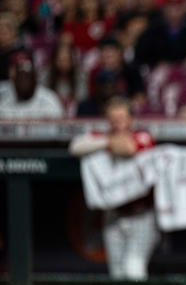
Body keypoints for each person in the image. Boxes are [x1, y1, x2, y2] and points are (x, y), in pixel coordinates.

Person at [69, 97, 159, 280]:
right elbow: (75, 147)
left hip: (141, 217)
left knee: (134, 270)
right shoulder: (103, 136)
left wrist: (105, 143)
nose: (118, 124)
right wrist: (108, 142)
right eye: (113, 119)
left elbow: (128, 148)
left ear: (131, 120)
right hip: (113, 216)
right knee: (117, 274)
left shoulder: (143, 136)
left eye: (122, 119)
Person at [0, 51, 63, 119]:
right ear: (14, 80)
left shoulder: (49, 100)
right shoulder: (4, 99)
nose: (24, 81)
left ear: (35, 78)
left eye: (27, 76)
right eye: (20, 76)